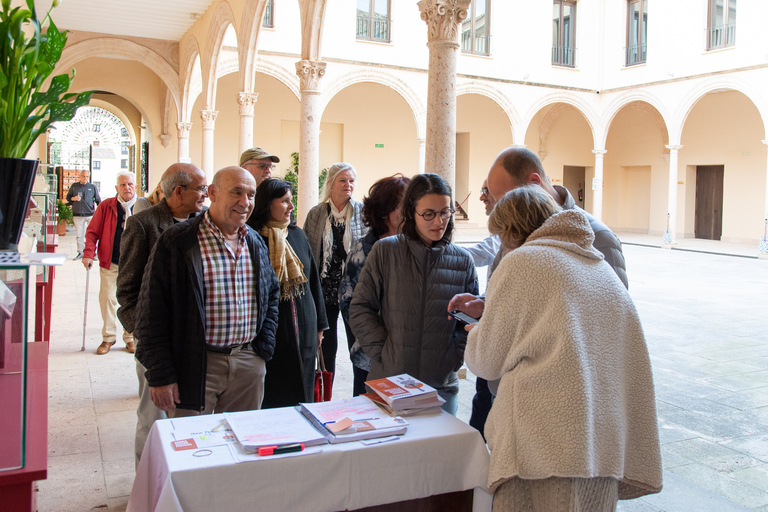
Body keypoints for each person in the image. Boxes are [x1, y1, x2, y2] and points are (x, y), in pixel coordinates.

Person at [465, 185, 662, 510]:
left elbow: (485, 360)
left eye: (502, 236)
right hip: (602, 448)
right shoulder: (599, 268)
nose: (502, 246)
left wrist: (477, 333)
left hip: (542, 449)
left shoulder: (521, 262)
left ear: (512, 231)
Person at [449, 146, 629, 437]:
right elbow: (517, 293)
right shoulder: (518, 226)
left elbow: (606, 325)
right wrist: (486, 305)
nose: (494, 207)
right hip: (501, 382)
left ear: (532, 185)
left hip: (555, 402)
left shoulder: (599, 238)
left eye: (500, 198)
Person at [135, 167, 279, 417]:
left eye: (251, 194)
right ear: (212, 193)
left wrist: (261, 350)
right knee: (192, 448)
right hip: (196, 363)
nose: (245, 202)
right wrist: (161, 375)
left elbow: (271, 296)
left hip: (247, 364)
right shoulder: (178, 241)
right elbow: (151, 312)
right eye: (236, 192)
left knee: (241, 447)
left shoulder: (254, 241)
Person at [350, 173, 478, 415]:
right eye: (428, 214)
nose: (439, 221)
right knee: (392, 452)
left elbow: (469, 320)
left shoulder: (462, 261)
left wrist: (454, 357)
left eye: (445, 212)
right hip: (389, 382)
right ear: (411, 212)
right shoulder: (385, 252)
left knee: (439, 452)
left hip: (441, 386)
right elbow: (360, 307)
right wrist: (384, 352)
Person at [116, 163, 207, 466]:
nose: (207, 195)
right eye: (201, 189)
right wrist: (145, 336)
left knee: (192, 416)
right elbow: (127, 291)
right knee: (153, 416)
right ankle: (148, 485)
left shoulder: (207, 222)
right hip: (158, 343)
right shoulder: (143, 224)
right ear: (179, 191)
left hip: (198, 342)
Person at [248, 178, 328, 407]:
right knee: (275, 390)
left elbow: (313, 282)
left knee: (303, 387)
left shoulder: (297, 235)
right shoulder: (253, 237)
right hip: (271, 330)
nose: (291, 207)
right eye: (284, 201)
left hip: (304, 325)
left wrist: (320, 325)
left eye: (291, 201)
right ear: (266, 204)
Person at [338, 174, 410, 396]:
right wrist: (381, 347)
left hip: (410, 356)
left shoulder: (415, 247)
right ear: (384, 212)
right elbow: (350, 305)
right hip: (373, 357)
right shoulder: (364, 250)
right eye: (403, 206)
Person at [303, 162, 368, 386]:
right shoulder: (316, 214)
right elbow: (308, 251)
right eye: (343, 180)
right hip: (325, 290)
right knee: (326, 348)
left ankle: (360, 394)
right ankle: (325, 395)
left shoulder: (361, 212)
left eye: (351, 181)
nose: (348, 185)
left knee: (358, 346)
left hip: (354, 291)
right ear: (331, 184)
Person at [83, 171, 137, 355]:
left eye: (130, 184)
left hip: (135, 264)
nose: (126, 188)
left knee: (130, 301)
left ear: (135, 187)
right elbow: (92, 232)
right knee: (107, 297)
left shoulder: (143, 206)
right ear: (116, 188)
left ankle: (130, 337)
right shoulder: (106, 206)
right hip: (111, 261)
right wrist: (88, 254)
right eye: (122, 185)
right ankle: (108, 337)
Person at [66, 170, 101, 260]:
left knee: (92, 234)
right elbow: (68, 198)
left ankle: (93, 253)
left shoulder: (92, 187)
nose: (85, 178)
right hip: (77, 214)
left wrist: (100, 212)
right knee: (79, 235)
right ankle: (80, 252)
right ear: (80, 176)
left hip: (90, 214)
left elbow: (98, 200)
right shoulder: (74, 186)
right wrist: (73, 198)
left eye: (87, 176)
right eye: (83, 176)